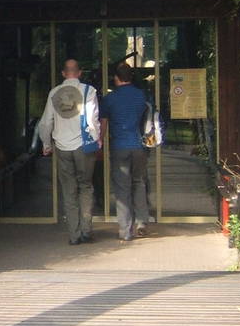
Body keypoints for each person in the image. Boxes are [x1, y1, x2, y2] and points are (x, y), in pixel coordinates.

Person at [34, 58, 100, 245]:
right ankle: (87, 231)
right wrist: (96, 140)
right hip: (84, 148)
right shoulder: (89, 91)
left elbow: (46, 123)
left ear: (64, 73)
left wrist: (47, 144)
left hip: (62, 147)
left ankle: (74, 235)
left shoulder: (54, 93)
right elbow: (93, 120)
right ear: (79, 73)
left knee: (69, 190)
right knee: (86, 187)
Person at [101, 62, 152, 241]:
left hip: (119, 146)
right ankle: (142, 222)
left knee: (122, 188)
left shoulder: (109, 99)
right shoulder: (140, 95)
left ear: (116, 78)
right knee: (139, 182)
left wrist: (100, 141)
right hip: (138, 146)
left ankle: (125, 230)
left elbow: (104, 124)